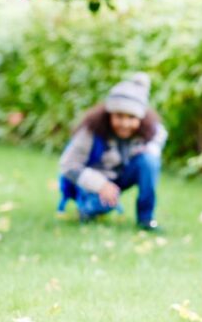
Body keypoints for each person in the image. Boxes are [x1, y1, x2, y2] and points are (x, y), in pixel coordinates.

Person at [58, 73, 167, 231]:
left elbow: (159, 137)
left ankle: (146, 219)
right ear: (109, 114)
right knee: (100, 205)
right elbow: (67, 165)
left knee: (150, 161)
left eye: (131, 117)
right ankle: (88, 209)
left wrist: (150, 151)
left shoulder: (150, 131)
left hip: (122, 175)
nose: (125, 123)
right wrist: (101, 185)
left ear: (141, 118)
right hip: (96, 180)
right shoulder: (91, 131)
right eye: (119, 116)